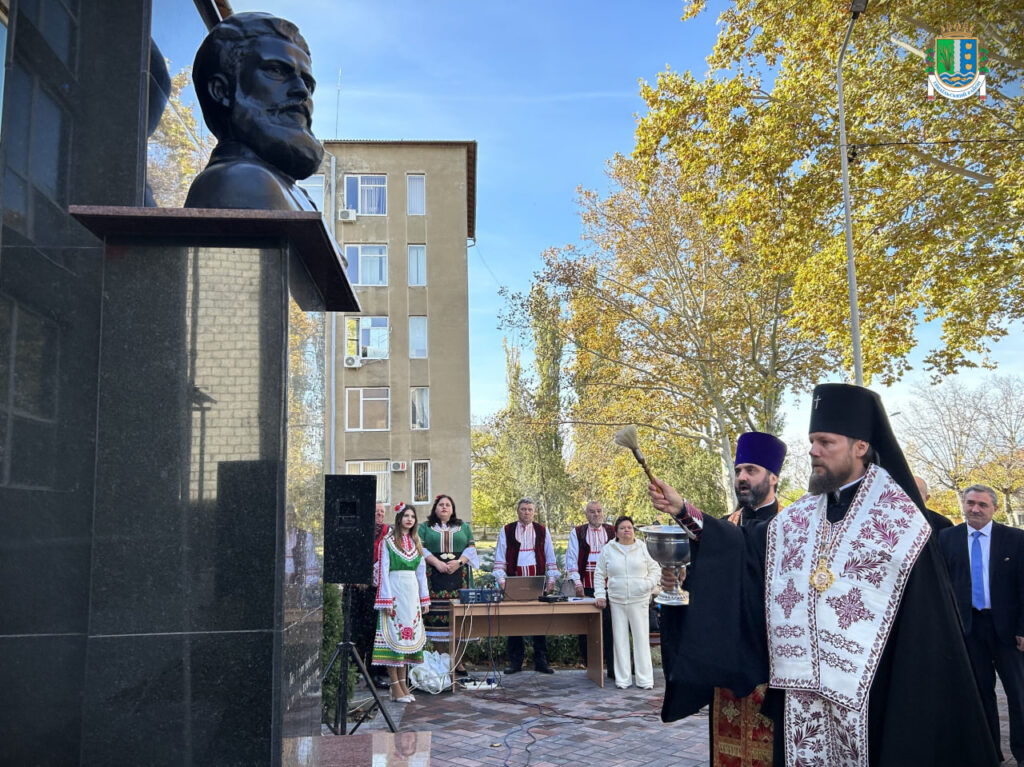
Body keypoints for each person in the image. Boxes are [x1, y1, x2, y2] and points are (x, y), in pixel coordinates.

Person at [651, 383, 998, 766]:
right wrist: (683, 509)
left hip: (873, 694)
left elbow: (927, 627)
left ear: (860, 446)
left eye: (825, 442)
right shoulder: (798, 519)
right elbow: (742, 552)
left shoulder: (899, 520)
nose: (813, 451)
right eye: (812, 441)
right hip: (803, 694)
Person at [695, 431, 787, 765]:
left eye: (751, 470)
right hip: (729, 662)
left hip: (773, 661)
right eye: (738, 471)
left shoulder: (792, 526)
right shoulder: (726, 526)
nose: (742, 478)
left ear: (773, 477)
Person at [186, 12, 324, 210]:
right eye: (276, 70)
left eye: (308, 84)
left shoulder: (290, 191)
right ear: (222, 90)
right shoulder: (241, 180)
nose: (302, 91)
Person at [939, 484, 1024, 764]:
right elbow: (944, 586)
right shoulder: (947, 538)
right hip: (969, 629)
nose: (975, 509)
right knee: (980, 693)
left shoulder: (1015, 539)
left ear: (994, 509)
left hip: (1008, 631)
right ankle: (990, 753)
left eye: (982, 505)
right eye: (970, 503)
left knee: (1019, 693)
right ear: (964, 504)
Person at [594, 516, 661, 689]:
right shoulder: (608, 549)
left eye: (629, 527)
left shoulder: (643, 548)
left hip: (639, 600)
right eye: (623, 528)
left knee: (641, 639)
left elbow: (655, 570)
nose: (627, 530)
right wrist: (600, 595)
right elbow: (599, 573)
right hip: (616, 600)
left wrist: (646, 585)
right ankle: (623, 680)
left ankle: (645, 680)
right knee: (620, 640)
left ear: (633, 530)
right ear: (616, 532)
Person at [373, 503, 430, 703]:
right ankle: (395, 685)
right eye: (405, 516)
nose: (409, 519)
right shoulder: (387, 542)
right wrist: (386, 599)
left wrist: (424, 598)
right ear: (399, 519)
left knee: (407, 640)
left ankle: (403, 685)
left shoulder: (416, 543)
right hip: (395, 592)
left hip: (411, 594)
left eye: (412, 516)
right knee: (394, 639)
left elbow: (421, 574)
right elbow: (383, 573)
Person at [493, 498, 558, 674]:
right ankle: (515, 662)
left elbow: (550, 557)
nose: (526, 512)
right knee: (514, 621)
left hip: (536, 581)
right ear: (517, 511)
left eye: (530, 509)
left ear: (534, 512)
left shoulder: (542, 531)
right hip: (514, 581)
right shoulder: (507, 530)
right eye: (523, 509)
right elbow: (500, 559)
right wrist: (503, 583)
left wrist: (551, 581)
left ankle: (541, 661)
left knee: (540, 621)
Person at [419, 494, 480, 672]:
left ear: (452, 508)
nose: (444, 507)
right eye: (440, 505)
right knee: (438, 618)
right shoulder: (425, 527)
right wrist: (437, 563)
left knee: (461, 617)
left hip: (460, 577)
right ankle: (442, 659)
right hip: (434, 576)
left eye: (448, 505)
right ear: (435, 508)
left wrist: (459, 562)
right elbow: (420, 547)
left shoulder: (464, 527)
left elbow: (471, 548)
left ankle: (457, 661)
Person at [565, 501, 615, 678]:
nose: (596, 514)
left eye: (599, 511)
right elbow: (571, 559)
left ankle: (612, 667)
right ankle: (591, 667)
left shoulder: (612, 531)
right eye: (592, 512)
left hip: (610, 586)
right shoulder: (578, 532)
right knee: (586, 627)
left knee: (610, 626)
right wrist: (577, 583)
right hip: (586, 585)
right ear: (586, 514)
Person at [351, 502, 392, 690]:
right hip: (355, 588)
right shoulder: (358, 529)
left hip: (375, 588)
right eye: (376, 511)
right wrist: (359, 574)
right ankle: (353, 671)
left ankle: (374, 672)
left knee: (374, 632)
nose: (379, 514)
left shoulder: (388, 531)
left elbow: (387, 557)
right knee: (355, 630)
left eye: (382, 512)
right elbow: (351, 553)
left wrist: (369, 576)